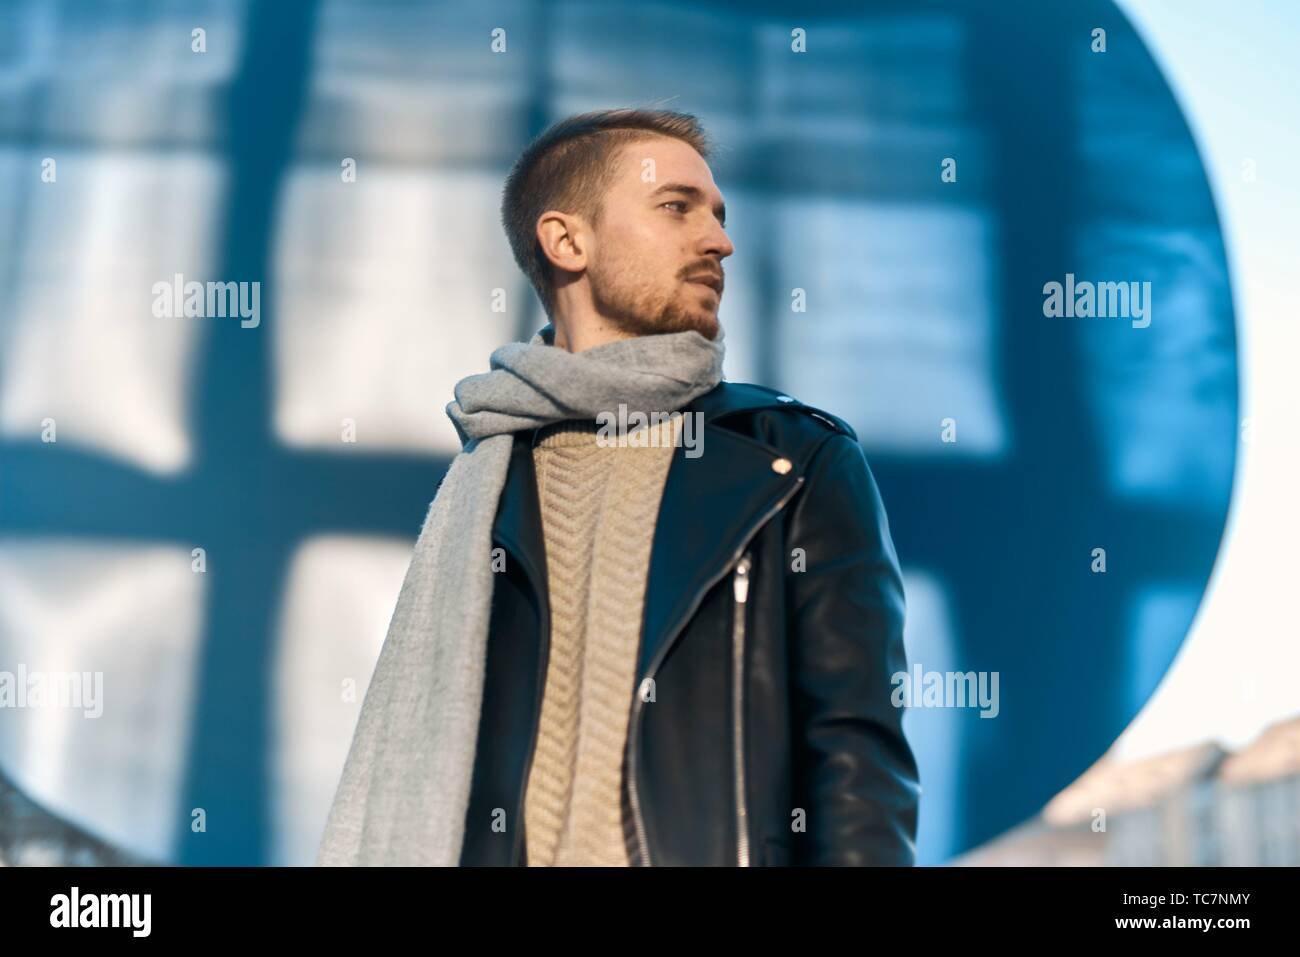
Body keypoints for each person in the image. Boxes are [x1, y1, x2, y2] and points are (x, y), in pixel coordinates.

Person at [317, 108, 920, 867]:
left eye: (719, 216)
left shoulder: (792, 460)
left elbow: (857, 757)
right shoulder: (483, 486)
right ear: (567, 240)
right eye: (677, 207)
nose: (719, 240)